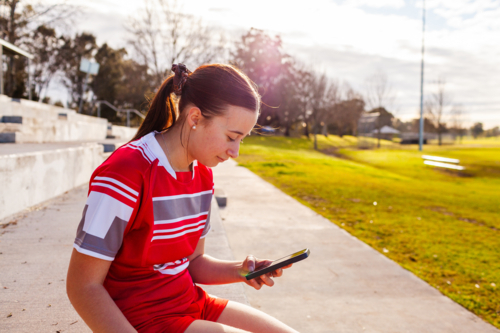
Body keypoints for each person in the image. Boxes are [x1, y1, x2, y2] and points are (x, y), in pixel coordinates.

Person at [66, 63, 298, 333]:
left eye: (241, 141)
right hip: (146, 320)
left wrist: (242, 270)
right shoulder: (126, 173)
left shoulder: (203, 175)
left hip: (192, 304)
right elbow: (83, 286)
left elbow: (193, 263)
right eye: (231, 137)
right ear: (195, 118)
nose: (235, 152)